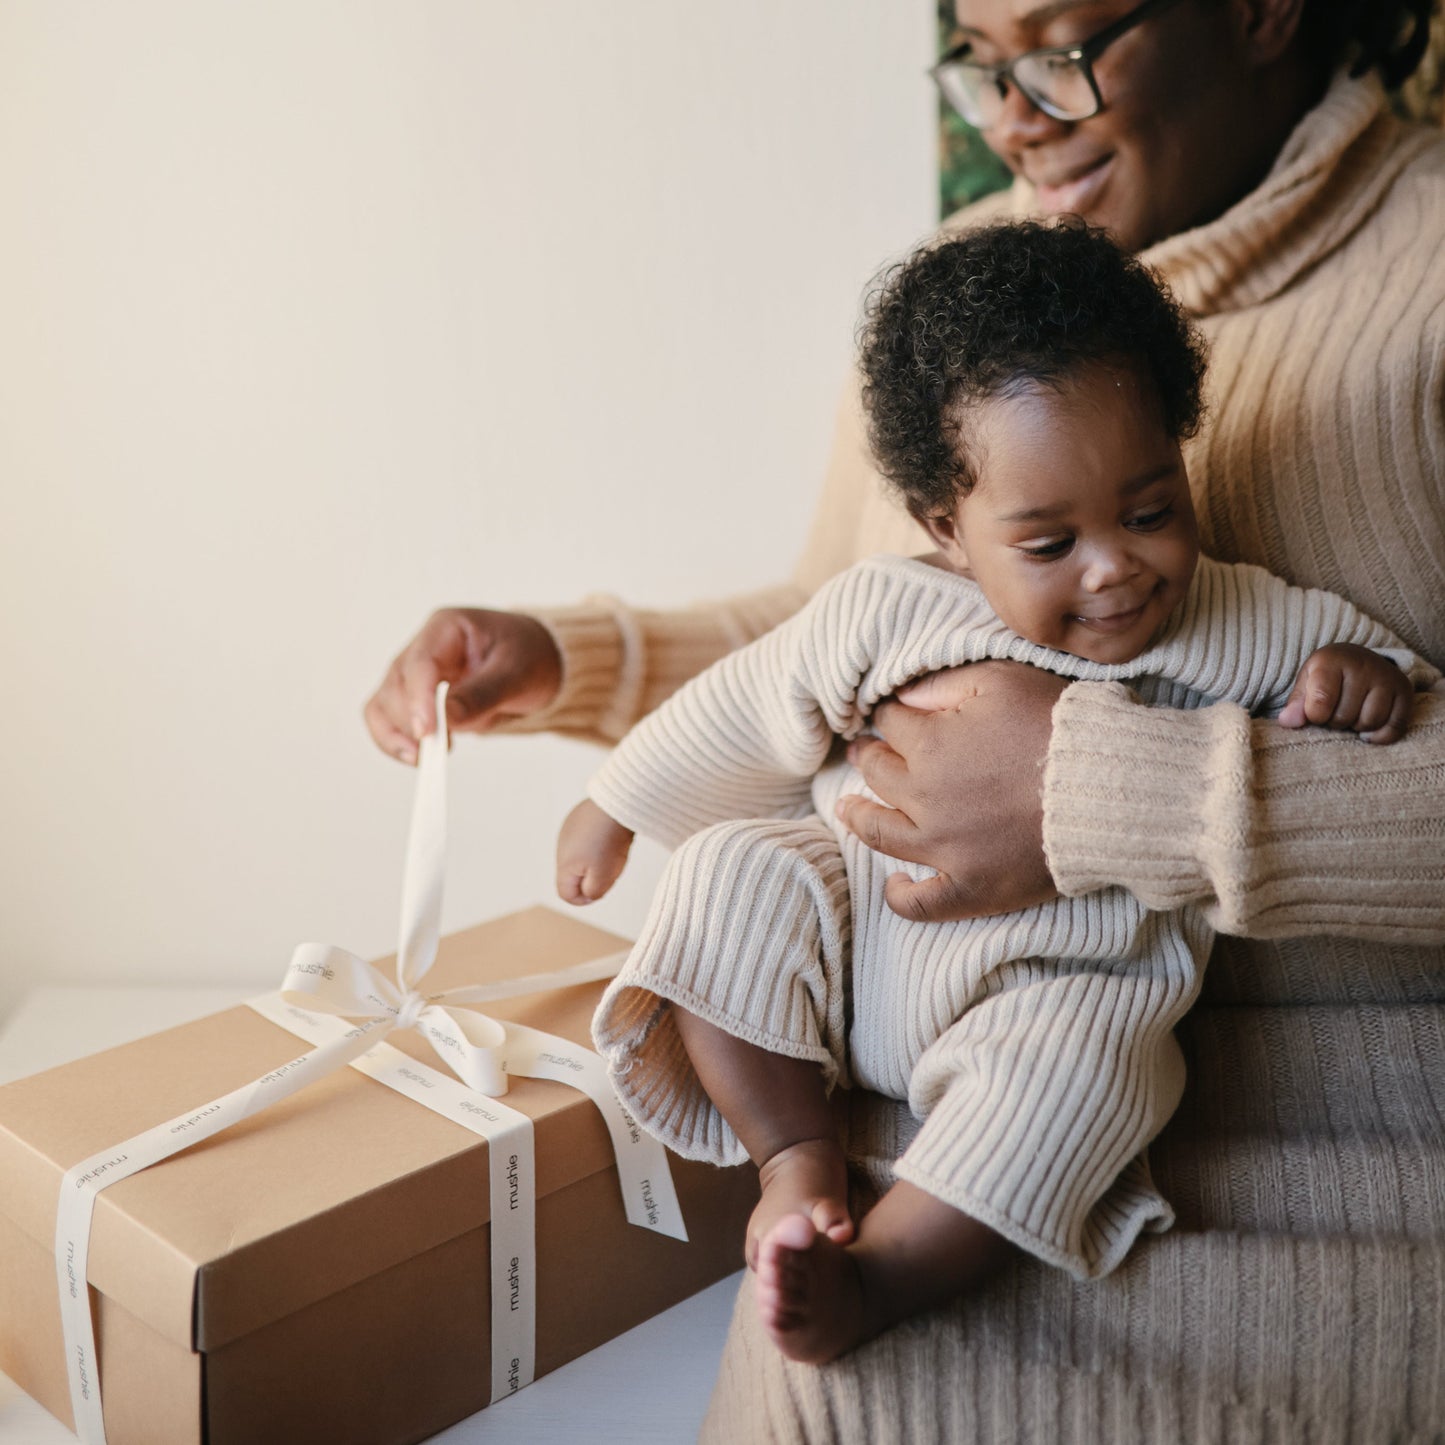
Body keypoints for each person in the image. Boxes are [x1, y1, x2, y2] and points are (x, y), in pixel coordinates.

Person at [365, 0, 1445, 1436]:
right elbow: (832, 633)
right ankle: (792, 1163)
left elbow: (1324, 662)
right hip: (891, 1057)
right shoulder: (956, 303)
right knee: (736, 905)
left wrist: (1091, 790)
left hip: (1326, 1157)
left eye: (1059, 47)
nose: (1009, 114)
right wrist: (573, 665)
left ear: (1258, 12)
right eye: (982, 59)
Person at [552, 219, 1433, 1365]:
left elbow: (1387, 677)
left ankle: (881, 1271)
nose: (1113, 565)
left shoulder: (1234, 615)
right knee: (728, 867)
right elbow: (749, 699)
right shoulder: (880, 607)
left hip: (1056, 976)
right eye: (1049, 539)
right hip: (856, 926)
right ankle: (790, 1156)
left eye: (1150, 510)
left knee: (1094, 1073)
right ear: (946, 531)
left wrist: (1354, 679)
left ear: (1177, 455)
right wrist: (616, 798)